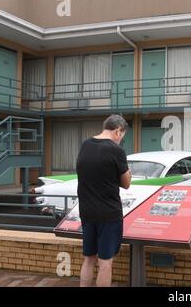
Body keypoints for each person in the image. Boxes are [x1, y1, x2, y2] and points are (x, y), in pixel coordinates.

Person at [76, 114, 132, 287]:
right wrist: (128, 172)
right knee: (105, 263)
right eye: (122, 136)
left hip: (86, 212)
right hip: (108, 214)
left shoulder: (85, 145)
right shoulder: (116, 150)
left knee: (89, 260)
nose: (120, 140)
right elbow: (126, 183)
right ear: (118, 131)